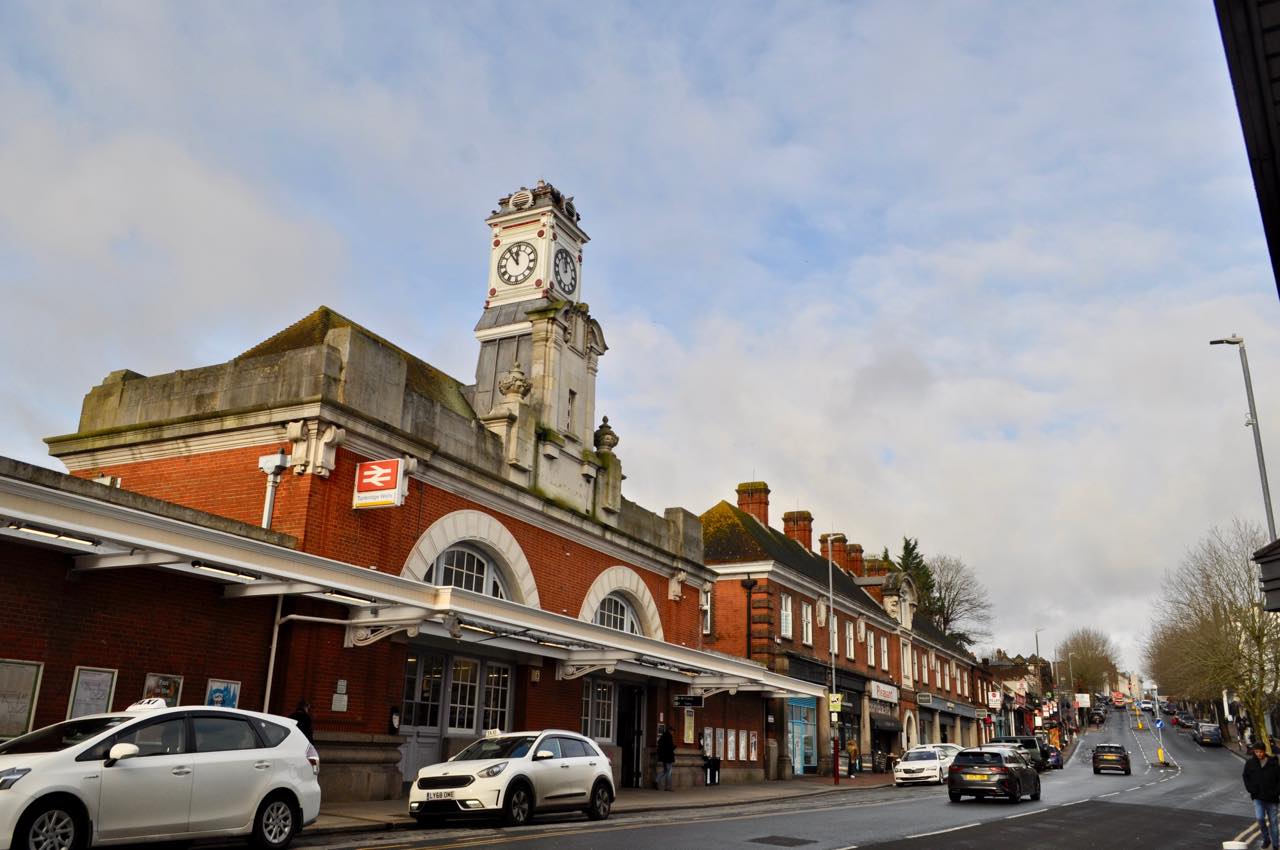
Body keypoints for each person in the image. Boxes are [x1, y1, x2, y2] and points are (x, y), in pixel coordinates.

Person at [1244, 741, 1280, 848]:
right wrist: (1251, 789)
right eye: (1256, 752)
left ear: (1264, 751)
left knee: (1273, 822)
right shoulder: (1250, 763)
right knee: (1260, 819)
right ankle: (1266, 839)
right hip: (1258, 797)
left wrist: (1277, 792)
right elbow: (1246, 777)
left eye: (1260, 752)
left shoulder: (1273, 763)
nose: (1258, 754)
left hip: (1272, 798)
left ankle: (1275, 845)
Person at [655, 726, 676, 791]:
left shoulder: (663, 736)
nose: (673, 733)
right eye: (672, 731)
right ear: (670, 731)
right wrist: (674, 747)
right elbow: (670, 747)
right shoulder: (669, 736)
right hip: (668, 757)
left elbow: (659, 743)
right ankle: (668, 787)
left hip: (664, 757)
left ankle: (656, 780)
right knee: (669, 772)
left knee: (665, 770)